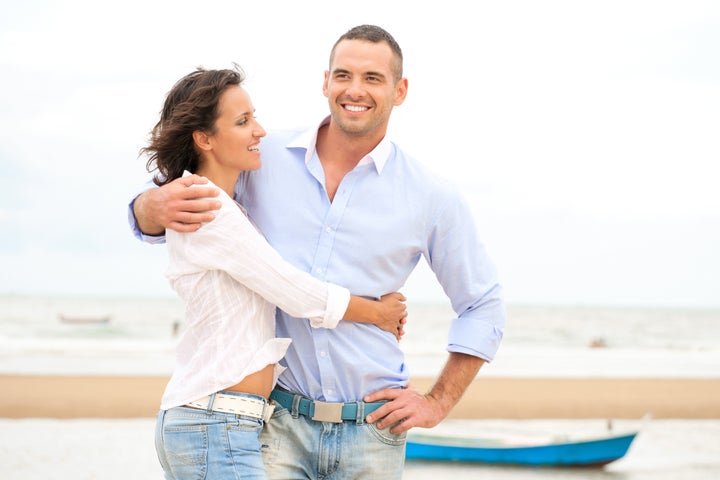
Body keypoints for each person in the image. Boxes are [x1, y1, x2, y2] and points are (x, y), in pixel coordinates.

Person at [130, 25, 505, 479]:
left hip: (372, 432)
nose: (355, 90)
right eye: (343, 74)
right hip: (274, 426)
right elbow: (186, 214)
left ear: (399, 90)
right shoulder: (259, 155)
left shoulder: (431, 196)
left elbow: (482, 306)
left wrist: (437, 402)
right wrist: (146, 206)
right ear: (325, 81)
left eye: (372, 78)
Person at [142, 66, 408, 480]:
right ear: (204, 138)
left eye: (254, 117)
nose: (260, 131)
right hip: (215, 421)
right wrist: (377, 314)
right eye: (243, 121)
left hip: (221, 420)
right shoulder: (208, 208)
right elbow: (294, 291)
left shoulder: (222, 205)